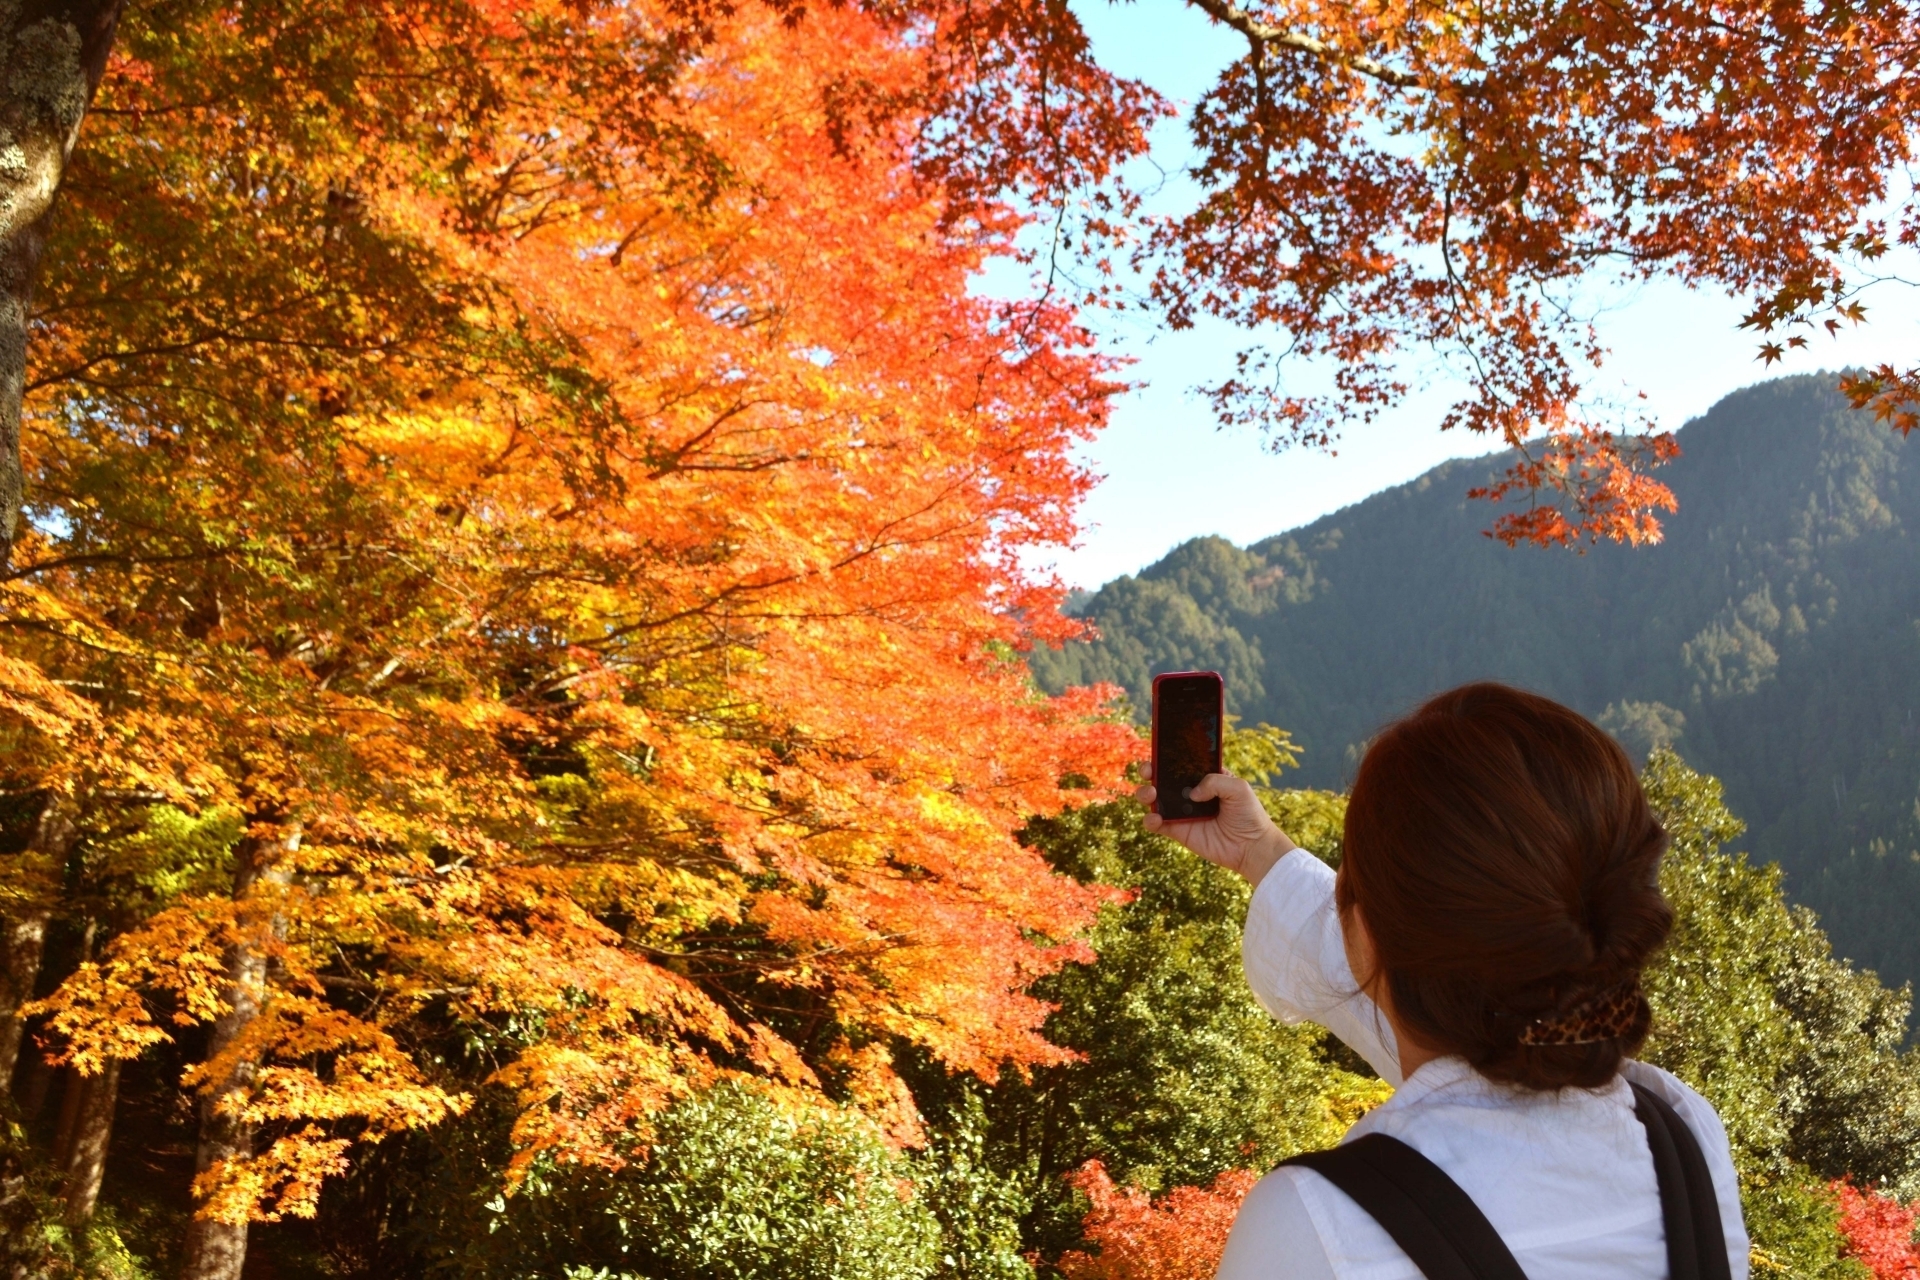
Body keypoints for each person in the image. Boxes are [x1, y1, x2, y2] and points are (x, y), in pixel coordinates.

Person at [1136, 682, 1748, 1280]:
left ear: (1366, 926)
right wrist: (1261, 853)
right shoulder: (1683, 1137)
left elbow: (1427, 1026)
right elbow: (1454, 1024)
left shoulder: (1321, 1224)